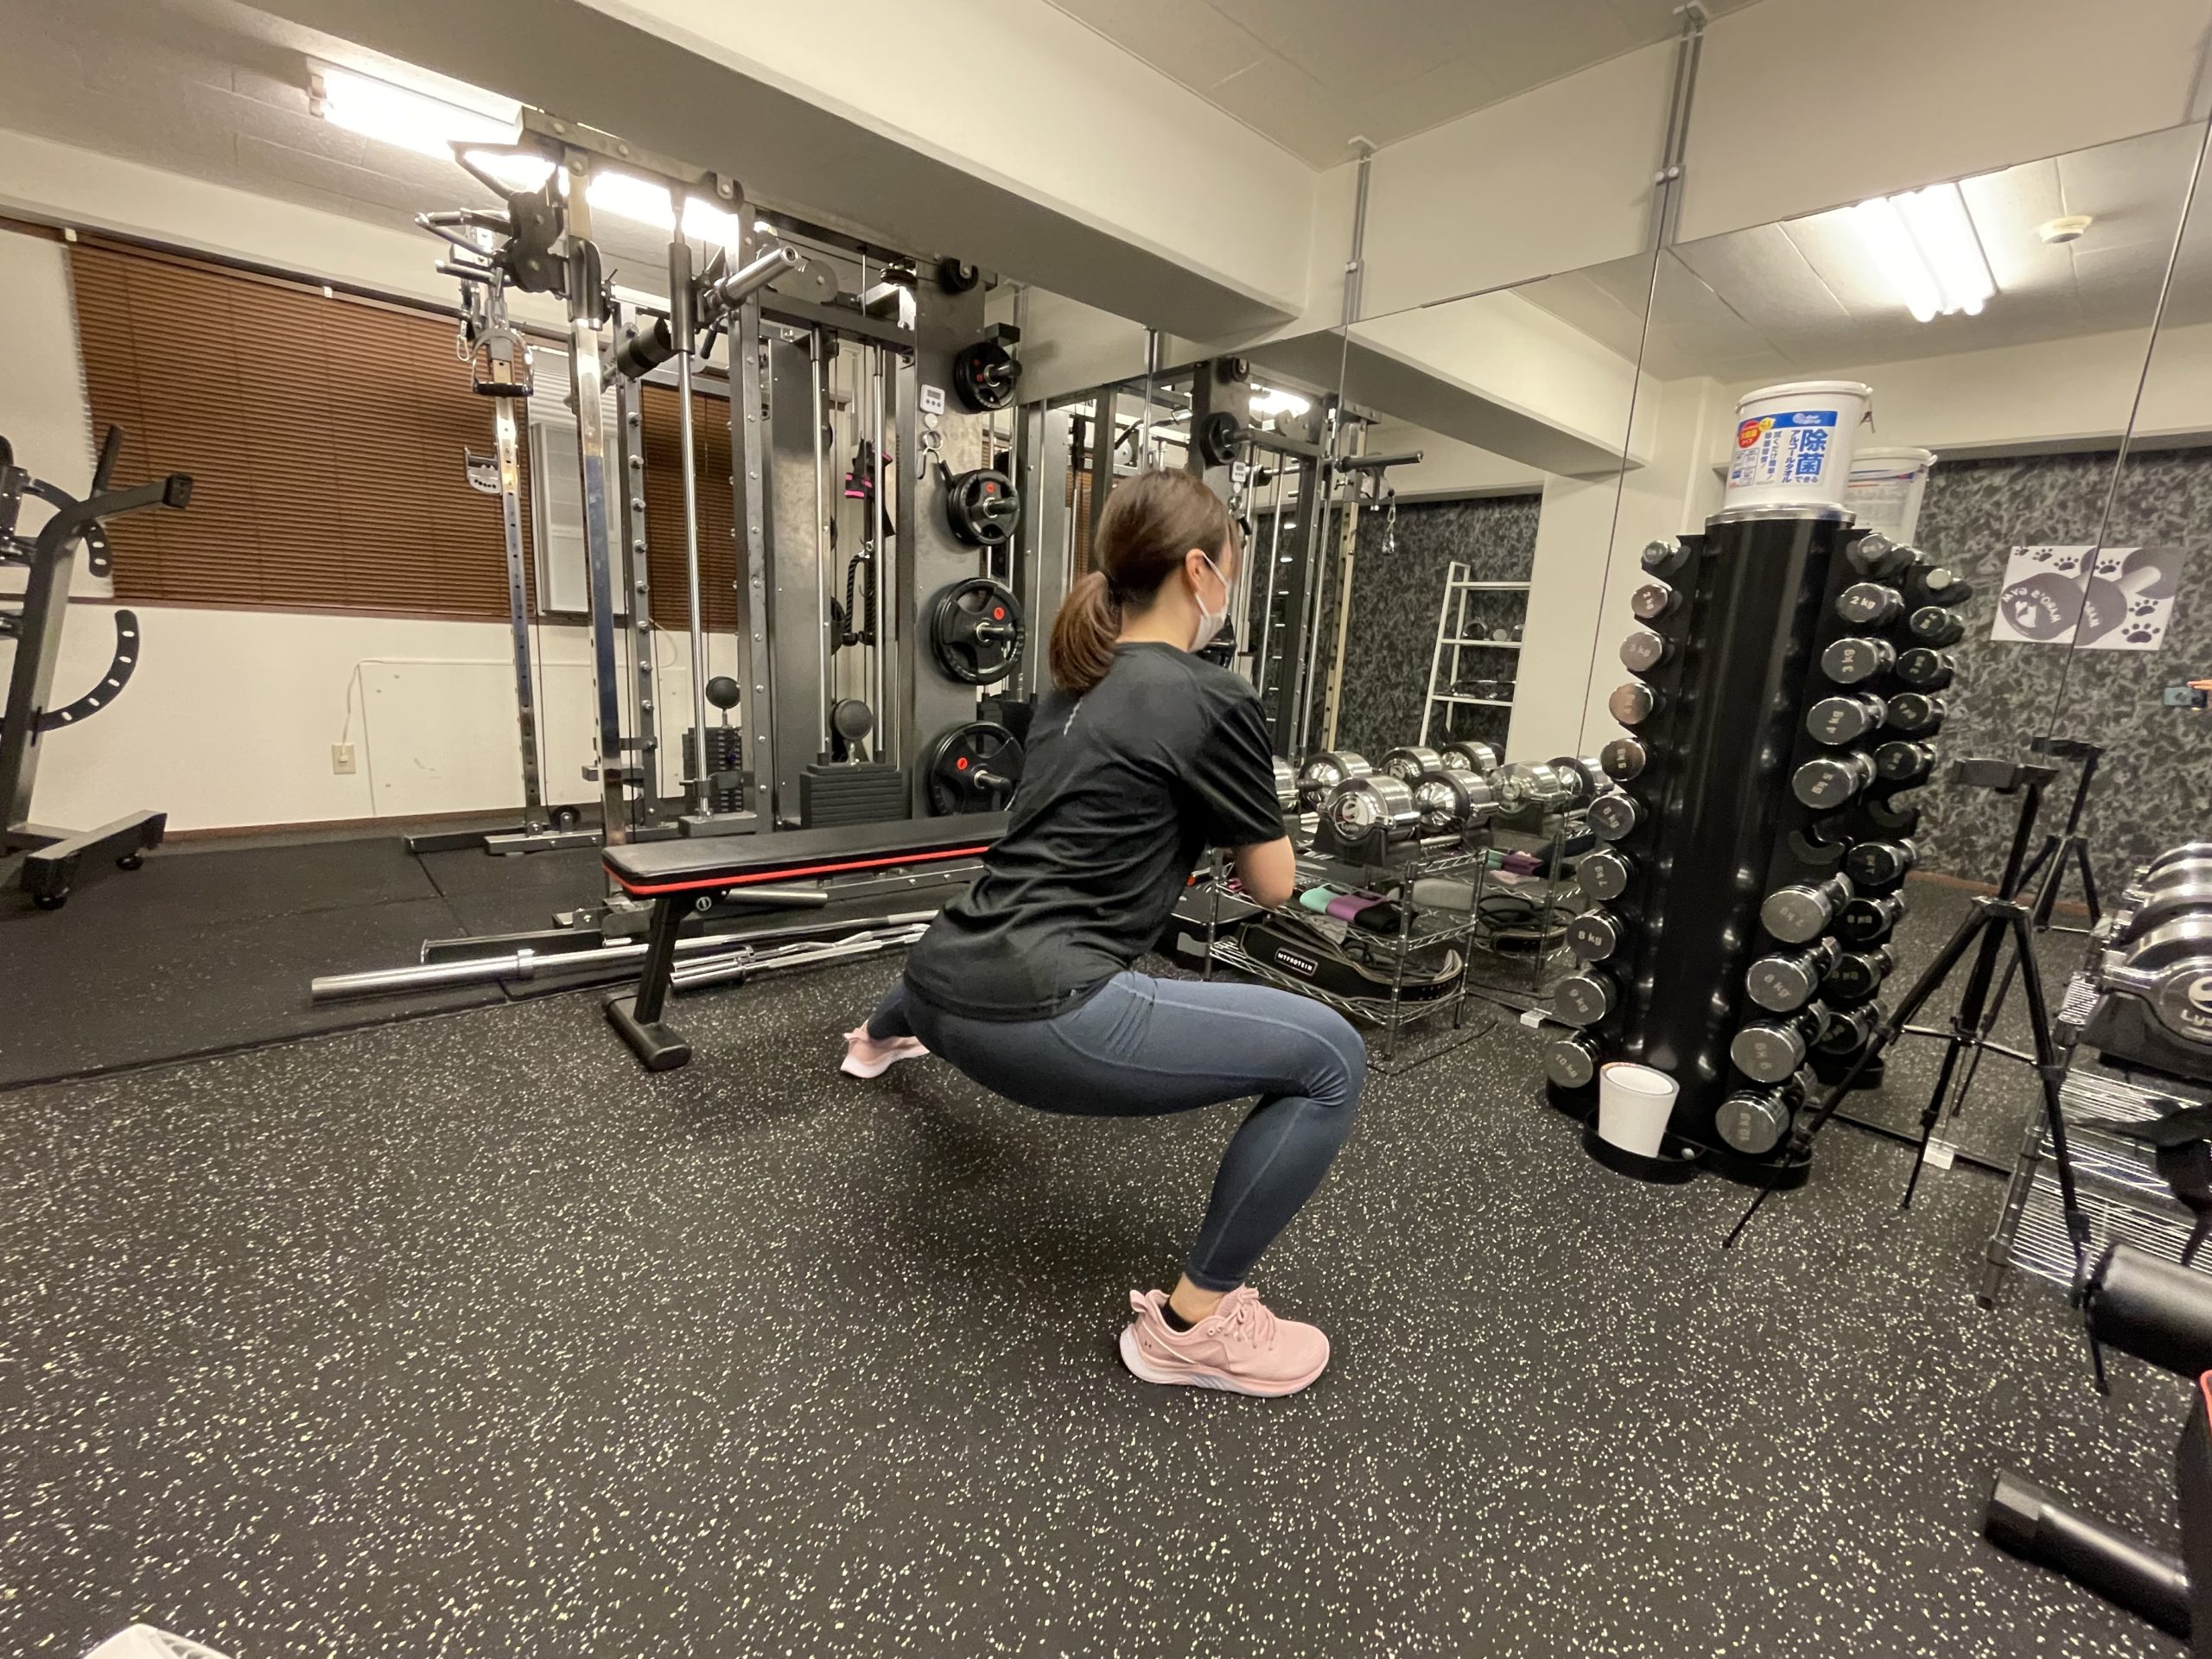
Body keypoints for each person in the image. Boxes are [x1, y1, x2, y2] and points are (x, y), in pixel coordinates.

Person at [842, 468, 1368, 1397]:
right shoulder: (1216, 696)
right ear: (1200, 571)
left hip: (934, 983)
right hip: (1037, 1022)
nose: (1230, 583)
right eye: (1231, 565)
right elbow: (1274, 884)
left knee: (999, 918)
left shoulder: (1066, 689)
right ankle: (1191, 1330)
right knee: (1331, 1057)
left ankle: (870, 1042)